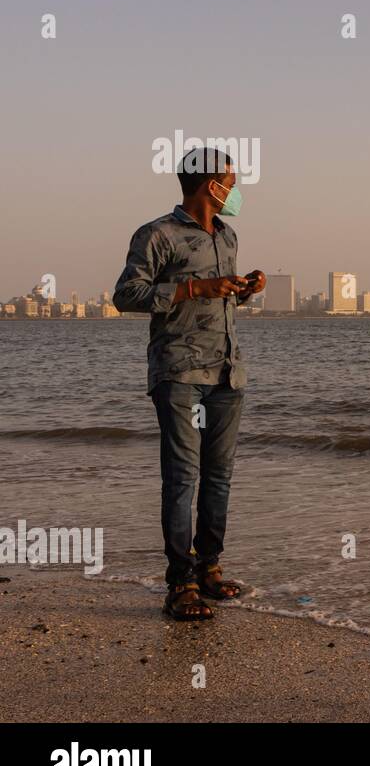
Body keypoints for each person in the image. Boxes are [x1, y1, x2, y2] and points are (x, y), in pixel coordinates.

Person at [113, 147, 265, 620]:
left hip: (227, 371)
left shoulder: (228, 235)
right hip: (178, 372)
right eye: (230, 181)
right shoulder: (157, 234)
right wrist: (191, 288)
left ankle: (210, 569)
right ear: (208, 184)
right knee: (182, 478)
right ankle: (180, 583)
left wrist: (245, 288)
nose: (235, 190)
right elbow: (126, 295)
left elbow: (220, 304)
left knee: (219, 477)